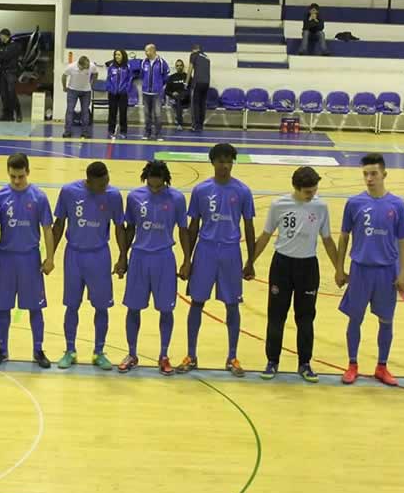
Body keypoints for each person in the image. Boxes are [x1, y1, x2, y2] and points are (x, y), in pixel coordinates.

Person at [250, 166, 340, 382]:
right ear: (296, 189)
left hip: (308, 267)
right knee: (276, 316)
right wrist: (249, 262)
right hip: (282, 265)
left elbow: (327, 240)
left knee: (306, 317)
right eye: (308, 192)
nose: (312, 195)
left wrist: (339, 268)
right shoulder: (279, 205)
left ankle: (305, 363)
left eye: (314, 190)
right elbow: (265, 235)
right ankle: (272, 361)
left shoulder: (320, 207)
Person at [178, 143, 255, 375]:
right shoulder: (201, 190)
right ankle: (191, 355)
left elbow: (249, 226)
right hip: (205, 250)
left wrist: (251, 260)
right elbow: (193, 226)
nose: (224, 165)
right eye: (220, 161)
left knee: (232, 305)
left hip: (231, 251)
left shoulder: (242, 191)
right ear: (212, 163)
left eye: (228, 161)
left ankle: (232, 357)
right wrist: (187, 259)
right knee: (197, 302)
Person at [336, 154, 404, 386]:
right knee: (354, 319)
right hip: (360, 270)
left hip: (386, 271)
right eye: (365, 174)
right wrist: (339, 268)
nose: (369, 179)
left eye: (373, 174)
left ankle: (382, 366)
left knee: (386, 321)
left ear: (384, 174)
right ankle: (352, 364)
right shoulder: (354, 203)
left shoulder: (397, 205)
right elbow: (344, 237)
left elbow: (403, 240)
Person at [51, 161, 128, 370]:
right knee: (72, 305)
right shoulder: (68, 192)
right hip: (74, 255)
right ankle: (70, 350)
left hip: (99, 256)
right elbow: (58, 225)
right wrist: (49, 255)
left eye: (107, 182)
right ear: (89, 180)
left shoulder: (113, 195)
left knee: (102, 307)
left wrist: (123, 256)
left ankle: (99, 352)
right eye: (100, 184)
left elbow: (120, 227)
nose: (105, 186)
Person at [119, 160, 190, 375]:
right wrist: (122, 257)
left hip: (164, 258)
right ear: (146, 179)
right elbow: (129, 228)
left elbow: (183, 230)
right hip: (139, 256)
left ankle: (164, 354)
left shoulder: (177, 198)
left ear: (165, 181)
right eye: (151, 185)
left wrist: (187, 260)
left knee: (166, 309)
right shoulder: (134, 197)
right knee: (133, 307)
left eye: (159, 186)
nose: (155, 188)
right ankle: (132, 353)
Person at [0, 154, 55, 368]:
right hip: (6, 258)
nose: (17, 180)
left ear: (28, 171)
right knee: (3, 308)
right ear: (8, 172)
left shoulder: (39, 197)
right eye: (13, 176)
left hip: (30, 259)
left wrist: (50, 258)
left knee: (35, 308)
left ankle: (38, 350)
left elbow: (47, 229)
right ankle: (2, 349)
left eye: (20, 176)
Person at [61, 56, 97, 139]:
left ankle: (85, 132)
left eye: (87, 68)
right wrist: (64, 87)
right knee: (70, 110)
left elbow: (95, 74)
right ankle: (67, 131)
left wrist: (92, 84)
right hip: (72, 90)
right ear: (79, 65)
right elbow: (64, 76)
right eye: (83, 68)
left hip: (86, 91)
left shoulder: (92, 66)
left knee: (85, 111)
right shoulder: (71, 67)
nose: (85, 69)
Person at [140, 44, 170, 141]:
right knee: (147, 114)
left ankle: (158, 134)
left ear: (153, 51)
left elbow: (166, 76)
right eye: (145, 51)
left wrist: (159, 85)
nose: (146, 53)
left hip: (157, 93)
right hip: (145, 93)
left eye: (147, 51)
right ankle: (147, 133)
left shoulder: (161, 62)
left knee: (157, 114)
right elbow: (142, 75)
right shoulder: (144, 62)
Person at [0, 28, 23, 122]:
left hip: (11, 72)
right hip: (3, 73)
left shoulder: (15, 45)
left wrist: (2, 56)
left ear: (5, 35)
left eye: (0, 35)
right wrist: (1, 56)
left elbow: (5, 56)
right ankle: (7, 115)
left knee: (12, 93)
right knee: (4, 95)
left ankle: (18, 113)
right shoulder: (1, 46)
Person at [105, 49, 131, 139]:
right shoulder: (111, 67)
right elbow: (108, 79)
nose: (117, 56)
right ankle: (110, 131)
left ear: (123, 56)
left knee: (123, 113)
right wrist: (110, 88)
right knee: (112, 113)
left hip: (123, 94)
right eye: (115, 55)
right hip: (112, 94)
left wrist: (126, 89)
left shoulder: (127, 66)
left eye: (119, 55)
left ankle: (123, 131)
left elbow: (129, 80)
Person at [187, 44, 211, 132]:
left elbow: (190, 70)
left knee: (195, 104)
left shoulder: (194, 55)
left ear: (193, 50)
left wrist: (186, 82)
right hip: (206, 83)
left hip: (197, 83)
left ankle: (195, 126)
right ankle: (201, 125)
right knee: (202, 104)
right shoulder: (207, 57)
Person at [166, 59, 189, 131]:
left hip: (186, 98)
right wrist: (172, 93)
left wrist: (185, 93)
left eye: (181, 65)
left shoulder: (187, 76)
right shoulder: (172, 77)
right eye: (177, 65)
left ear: (183, 66)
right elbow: (166, 91)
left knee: (181, 96)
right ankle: (180, 124)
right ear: (175, 67)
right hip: (176, 98)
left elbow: (191, 88)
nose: (179, 67)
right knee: (178, 99)